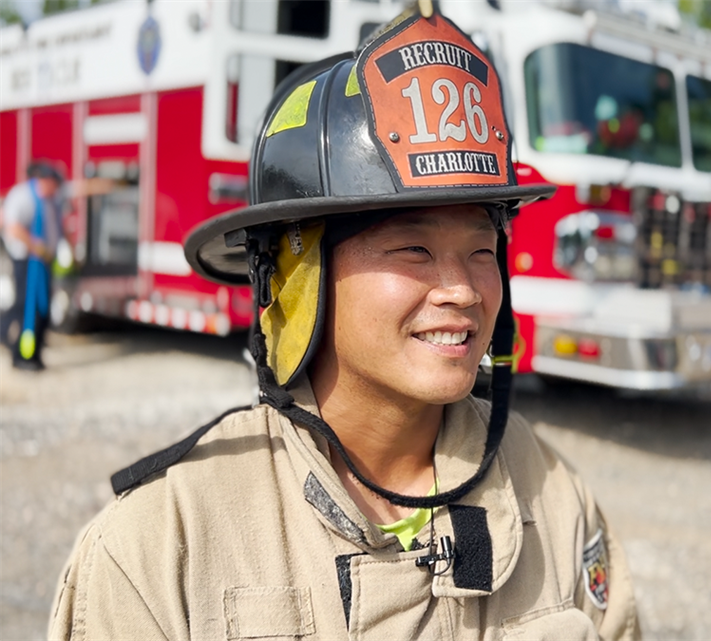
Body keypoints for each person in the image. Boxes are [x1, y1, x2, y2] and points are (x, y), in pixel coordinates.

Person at [48, 6, 639, 640]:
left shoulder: (552, 496)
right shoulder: (161, 545)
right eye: (412, 249)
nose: (462, 289)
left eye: (481, 249)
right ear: (299, 279)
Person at [2, 161, 62, 371]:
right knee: (26, 307)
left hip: (44, 261)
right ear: (43, 180)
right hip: (27, 261)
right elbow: (13, 227)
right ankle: (21, 356)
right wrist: (36, 246)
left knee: (42, 308)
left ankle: (35, 354)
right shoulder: (22, 197)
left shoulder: (50, 200)